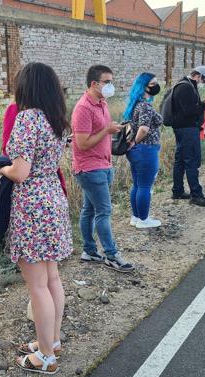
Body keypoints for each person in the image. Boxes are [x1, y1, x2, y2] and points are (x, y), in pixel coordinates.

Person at [0, 62, 73, 375]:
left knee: (37, 286)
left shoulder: (28, 118)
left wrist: (1, 168)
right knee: (52, 278)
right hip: (53, 200)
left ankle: (45, 357)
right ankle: (51, 342)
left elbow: (20, 172)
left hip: (32, 206)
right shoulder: (58, 121)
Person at [71, 65, 135, 272]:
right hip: (90, 168)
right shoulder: (83, 108)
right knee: (104, 211)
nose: (110, 85)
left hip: (103, 164)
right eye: (107, 82)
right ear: (94, 84)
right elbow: (81, 143)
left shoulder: (102, 103)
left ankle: (89, 251)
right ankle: (111, 255)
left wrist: (112, 129)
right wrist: (107, 130)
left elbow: (100, 132)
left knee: (89, 209)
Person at [170, 66, 205, 207]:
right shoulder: (186, 88)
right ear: (197, 75)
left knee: (181, 160)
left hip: (184, 128)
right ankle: (196, 195)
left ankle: (177, 191)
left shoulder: (185, 85)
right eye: (204, 79)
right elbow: (189, 111)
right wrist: (204, 104)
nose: (203, 82)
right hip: (187, 129)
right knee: (191, 161)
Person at [123, 72, 163, 229]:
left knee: (138, 185)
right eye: (152, 84)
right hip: (146, 149)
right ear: (143, 86)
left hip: (136, 151)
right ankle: (144, 220)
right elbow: (144, 129)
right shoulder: (145, 106)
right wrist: (134, 141)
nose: (156, 86)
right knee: (145, 186)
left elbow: (129, 126)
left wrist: (132, 143)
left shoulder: (135, 104)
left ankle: (136, 216)